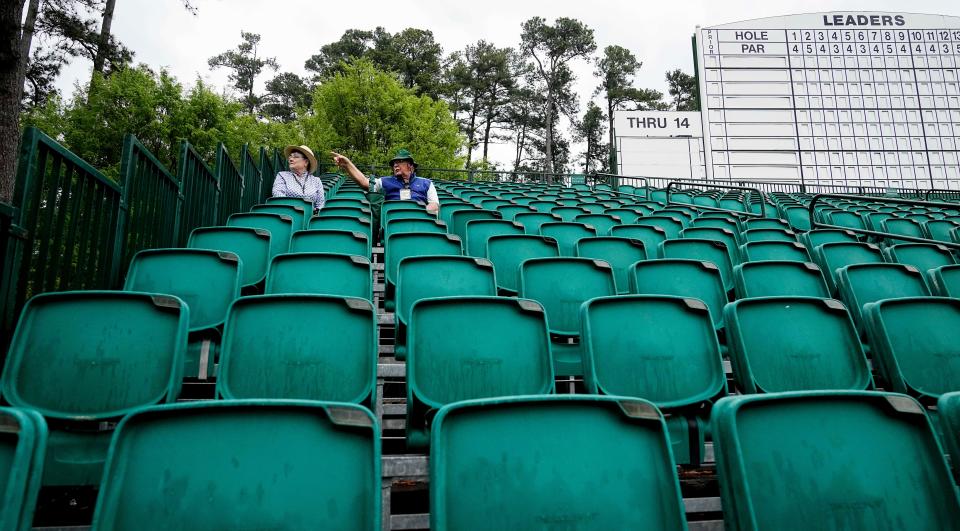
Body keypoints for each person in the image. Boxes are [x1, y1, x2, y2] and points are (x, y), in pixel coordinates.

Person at [331, 149, 440, 215]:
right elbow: (365, 183)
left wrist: (415, 214)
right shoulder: (385, 181)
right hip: (394, 223)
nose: (395, 165)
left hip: (420, 222)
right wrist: (347, 164)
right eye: (394, 163)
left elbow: (434, 206)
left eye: (400, 161)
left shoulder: (426, 183)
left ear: (410, 166)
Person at [272, 145, 325, 212]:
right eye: (290, 156)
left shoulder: (316, 181)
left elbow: (320, 205)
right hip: (287, 215)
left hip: (310, 218)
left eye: (296, 157)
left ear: (306, 162)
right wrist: (296, 210)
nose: (291, 159)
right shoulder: (282, 176)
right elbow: (278, 195)